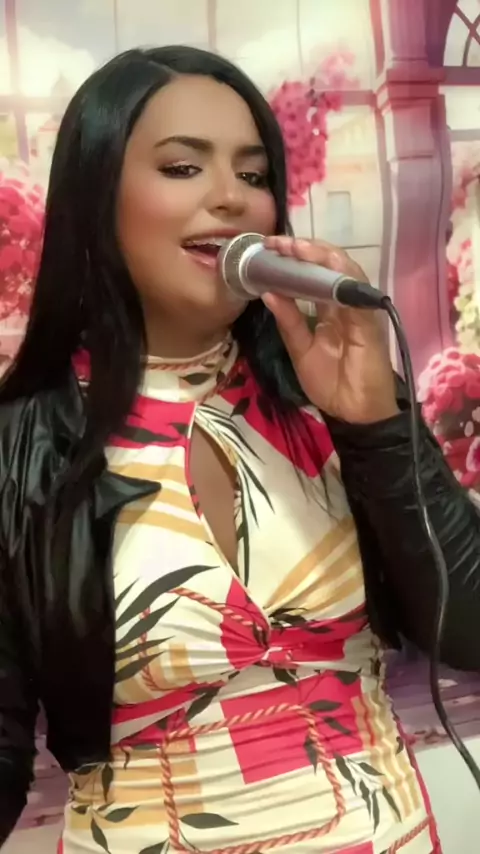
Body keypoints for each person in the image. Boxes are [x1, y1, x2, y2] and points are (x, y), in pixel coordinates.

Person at [0, 45, 479, 854]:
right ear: (96, 196)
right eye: (183, 167)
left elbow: (468, 630)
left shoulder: (328, 394)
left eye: (254, 176)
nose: (230, 197)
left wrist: (374, 424)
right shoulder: (26, 441)